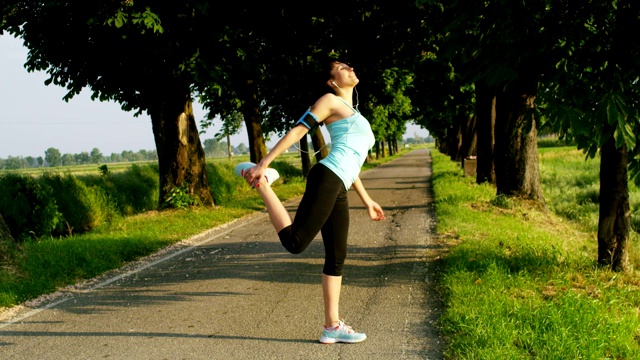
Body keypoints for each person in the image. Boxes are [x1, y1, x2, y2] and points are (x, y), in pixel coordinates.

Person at [234, 60, 385, 344]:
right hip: (327, 177)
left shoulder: (354, 112)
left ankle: (332, 327)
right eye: (342, 67)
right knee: (296, 242)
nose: (350, 68)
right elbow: (299, 130)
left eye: (350, 65)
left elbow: (353, 161)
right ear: (332, 81)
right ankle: (261, 182)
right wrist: (264, 163)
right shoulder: (329, 100)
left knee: (337, 256)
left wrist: (366, 200)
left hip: (340, 181)